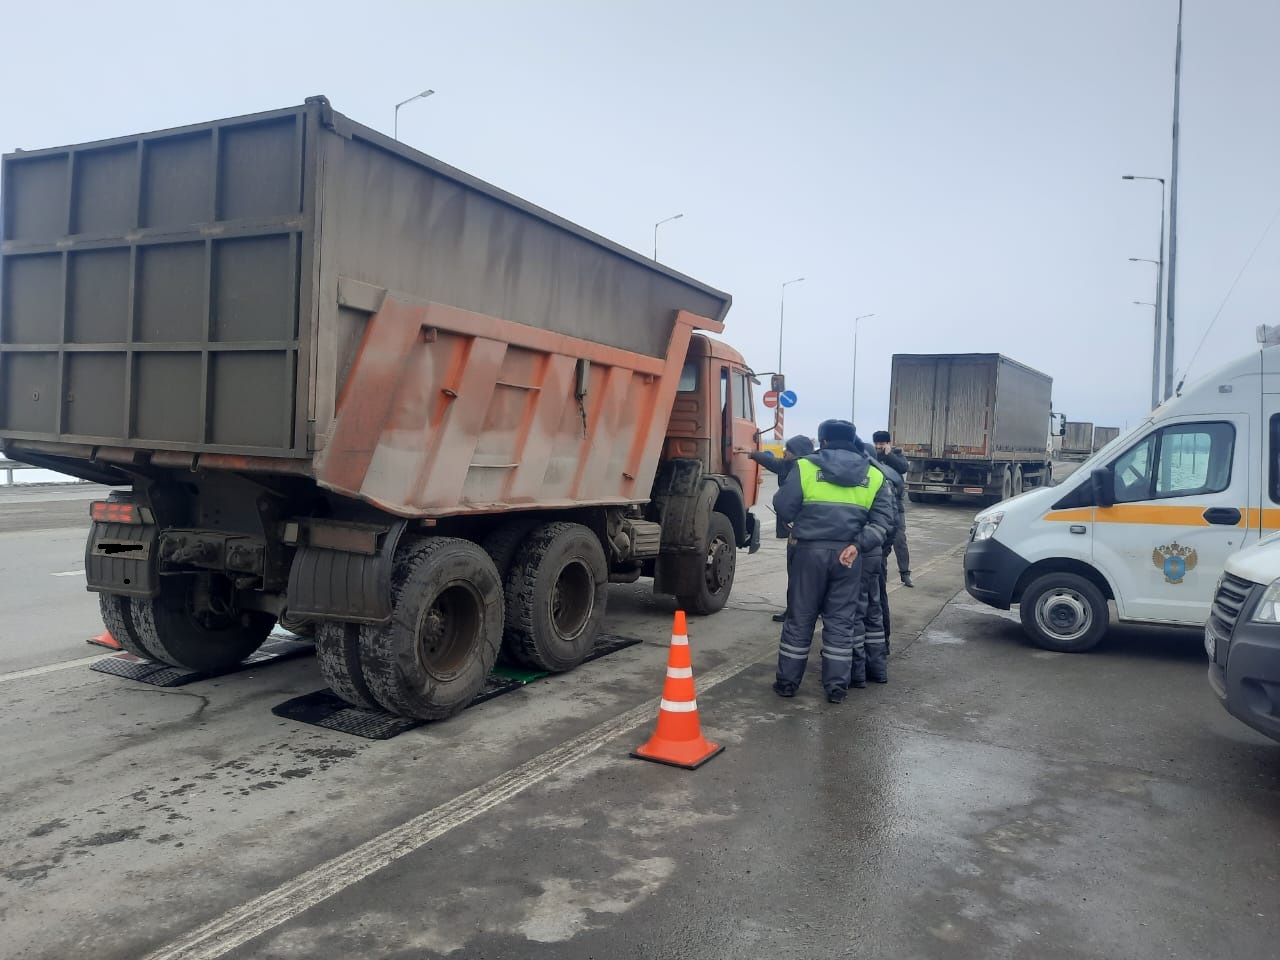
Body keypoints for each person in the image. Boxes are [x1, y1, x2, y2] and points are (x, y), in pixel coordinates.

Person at [772, 420, 896, 703]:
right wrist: (857, 545)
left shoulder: (805, 466)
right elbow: (883, 522)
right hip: (849, 556)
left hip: (808, 553)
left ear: (823, 441)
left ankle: (788, 683)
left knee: (800, 617)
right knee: (841, 621)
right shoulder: (874, 475)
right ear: (853, 441)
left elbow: (783, 506)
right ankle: (836, 687)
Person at [748, 436, 816, 623]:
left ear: (797, 452)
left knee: (796, 572)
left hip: (800, 530)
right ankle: (807, 610)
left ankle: (795, 612)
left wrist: (790, 522)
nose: (784, 452)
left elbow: (783, 501)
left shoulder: (797, 467)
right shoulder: (814, 466)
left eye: (788, 449)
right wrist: (752, 454)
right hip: (817, 529)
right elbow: (773, 462)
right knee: (810, 575)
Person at [858, 440, 905, 683]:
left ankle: (864, 659)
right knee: (877, 599)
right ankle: (882, 646)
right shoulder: (889, 474)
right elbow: (892, 519)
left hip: (869, 548)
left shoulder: (872, 476)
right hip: (879, 546)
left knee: (865, 604)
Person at [872, 430, 913, 587]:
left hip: (896, 505)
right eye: (876, 444)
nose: (878, 446)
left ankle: (905, 573)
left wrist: (889, 455)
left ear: (888, 443)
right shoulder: (872, 455)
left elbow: (903, 468)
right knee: (878, 542)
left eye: (882, 444)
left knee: (900, 540)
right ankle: (881, 574)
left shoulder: (897, 454)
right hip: (877, 505)